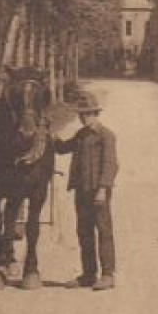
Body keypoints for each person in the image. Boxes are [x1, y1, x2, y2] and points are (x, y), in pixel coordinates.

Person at [53, 98, 119, 290]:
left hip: (98, 192)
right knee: (84, 232)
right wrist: (52, 137)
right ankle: (89, 274)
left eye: (88, 114)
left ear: (96, 114)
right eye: (81, 114)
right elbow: (63, 148)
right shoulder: (81, 135)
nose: (84, 118)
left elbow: (110, 164)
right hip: (81, 191)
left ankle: (108, 275)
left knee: (104, 231)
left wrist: (103, 189)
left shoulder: (106, 136)